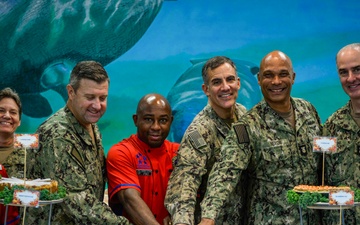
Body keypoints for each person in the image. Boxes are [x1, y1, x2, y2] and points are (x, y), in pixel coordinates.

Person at [199, 51, 322, 225]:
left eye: (283, 74)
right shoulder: (247, 126)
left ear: (293, 77)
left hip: (311, 219)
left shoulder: (308, 111)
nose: (276, 82)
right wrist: (208, 217)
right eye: (268, 75)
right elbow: (225, 172)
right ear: (258, 79)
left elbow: (324, 159)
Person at [25, 61, 130, 224]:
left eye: (102, 98)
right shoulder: (58, 134)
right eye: (89, 97)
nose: (97, 105)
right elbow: (80, 206)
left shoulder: (89, 123)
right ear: (71, 92)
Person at [164, 56, 247, 225]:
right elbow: (184, 184)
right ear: (206, 89)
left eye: (230, 80)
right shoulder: (199, 132)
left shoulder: (243, 115)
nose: (225, 87)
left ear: (238, 83)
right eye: (217, 82)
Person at [106, 93, 179, 225]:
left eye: (163, 120)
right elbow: (130, 199)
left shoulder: (180, 153)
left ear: (171, 121)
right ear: (136, 120)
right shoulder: (122, 152)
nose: (156, 127)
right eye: (148, 119)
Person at [322, 43, 360, 225]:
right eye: (344, 72)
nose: (351, 78)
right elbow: (324, 182)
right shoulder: (332, 126)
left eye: (357, 70)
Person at [0, 87, 23, 225]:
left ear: (19, 120)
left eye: (13, 112)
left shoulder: (32, 156)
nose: (7, 116)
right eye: (1, 111)